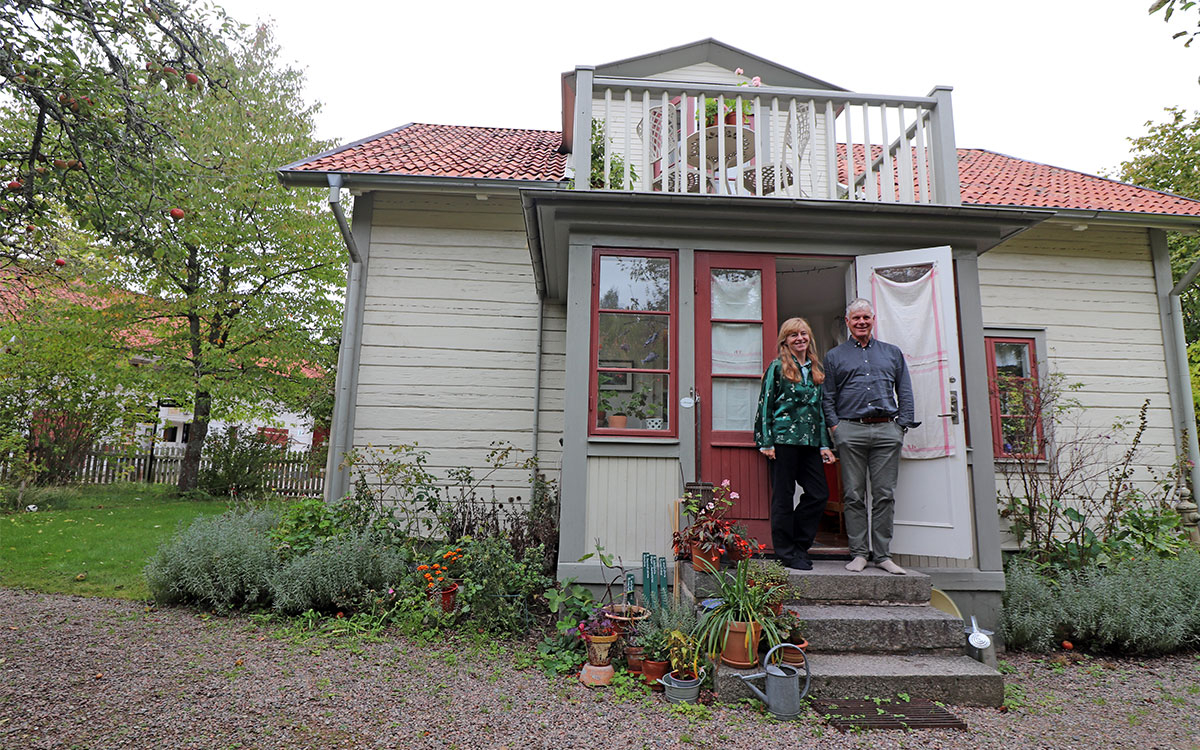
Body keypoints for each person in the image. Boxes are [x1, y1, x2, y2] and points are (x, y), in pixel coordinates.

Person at [822, 298, 918, 575]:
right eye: (856, 318)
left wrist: (901, 426)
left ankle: (883, 555)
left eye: (866, 317)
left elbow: (905, 390)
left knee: (884, 494)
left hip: (887, 430)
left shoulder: (892, 353)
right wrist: (836, 428)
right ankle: (859, 553)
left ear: (873, 320)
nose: (861, 322)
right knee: (853, 495)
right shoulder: (835, 356)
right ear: (848, 322)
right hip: (850, 430)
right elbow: (827, 396)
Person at [754, 317, 836, 571]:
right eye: (793, 335)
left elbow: (818, 411)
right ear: (785, 341)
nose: (799, 338)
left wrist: (824, 445)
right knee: (783, 496)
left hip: (810, 442)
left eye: (803, 334)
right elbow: (765, 405)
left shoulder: (814, 370)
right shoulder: (777, 367)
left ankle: (799, 545)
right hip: (783, 442)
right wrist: (766, 441)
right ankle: (785, 553)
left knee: (819, 494)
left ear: (809, 337)